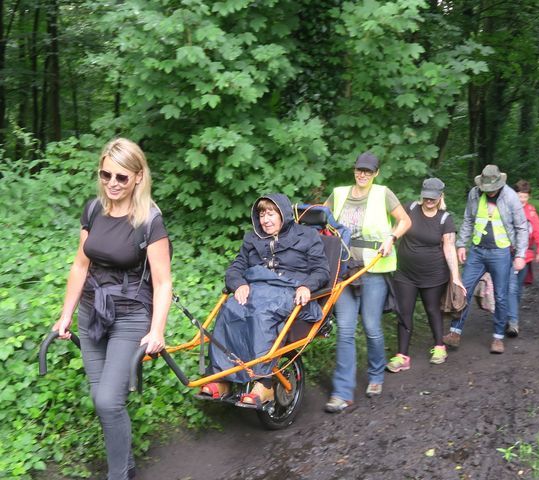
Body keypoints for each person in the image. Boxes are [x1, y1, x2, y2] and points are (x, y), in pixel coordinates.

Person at [52, 138, 172, 480]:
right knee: (102, 399)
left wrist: (157, 329)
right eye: (106, 175)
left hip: (131, 316)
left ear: (138, 177)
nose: (112, 184)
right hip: (92, 313)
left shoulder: (149, 221)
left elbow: (163, 283)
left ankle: (117, 476)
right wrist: (65, 315)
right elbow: (80, 266)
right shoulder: (93, 210)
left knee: (107, 401)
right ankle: (127, 466)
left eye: (121, 177)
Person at [199, 194, 330, 407]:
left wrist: (307, 286)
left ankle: (264, 384)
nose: (265, 220)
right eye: (262, 214)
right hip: (257, 290)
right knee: (230, 308)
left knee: (262, 314)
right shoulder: (252, 239)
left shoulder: (307, 236)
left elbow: (321, 270)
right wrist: (239, 283)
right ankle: (224, 379)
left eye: (271, 214)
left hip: (290, 291)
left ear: (283, 215)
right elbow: (236, 267)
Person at [324, 151, 411, 413]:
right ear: (354, 170)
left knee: (372, 326)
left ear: (376, 173)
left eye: (368, 171)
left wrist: (391, 238)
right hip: (345, 271)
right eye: (359, 170)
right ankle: (342, 392)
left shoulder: (383, 193)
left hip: (374, 269)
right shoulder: (339, 194)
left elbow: (405, 220)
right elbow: (319, 217)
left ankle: (376, 374)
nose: (363, 174)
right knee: (346, 330)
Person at [443, 164, 528, 354]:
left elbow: (522, 226)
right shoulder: (474, 194)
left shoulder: (511, 197)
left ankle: (498, 337)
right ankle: (455, 332)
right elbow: (468, 220)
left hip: (501, 252)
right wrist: (462, 244)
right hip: (477, 251)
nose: (488, 191)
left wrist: (521, 254)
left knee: (500, 295)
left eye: (492, 188)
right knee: (464, 289)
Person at [386, 178, 465, 371]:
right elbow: (395, 228)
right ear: (422, 195)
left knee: (432, 310)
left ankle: (439, 346)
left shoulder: (445, 219)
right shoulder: (410, 208)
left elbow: (449, 247)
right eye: (427, 197)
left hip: (433, 274)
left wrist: (455, 277)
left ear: (440, 197)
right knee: (404, 312)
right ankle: (402, 356)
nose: (429, 201)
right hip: (405, 273)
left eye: (433, 198)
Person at [505, 180, 539, 337]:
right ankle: (513, 322)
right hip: (506, 254)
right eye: (519, 196)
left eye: (525, 196)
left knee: (516, 289)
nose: (522, 199)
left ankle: (510, 318)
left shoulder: (530, 212)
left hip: (525, 257)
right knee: (510, 287)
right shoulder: (506, 209)